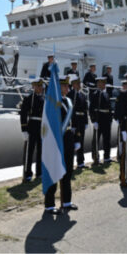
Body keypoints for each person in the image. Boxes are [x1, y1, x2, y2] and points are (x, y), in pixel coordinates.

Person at [44, 76, 80, 214]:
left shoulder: (68, 101)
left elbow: (75, 122)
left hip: (68, 139)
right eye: (64, 86)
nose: (67, 88)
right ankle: (49, 205)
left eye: (67, 86)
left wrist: (76, 139)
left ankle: (66, 202)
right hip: (56, 141)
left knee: (67, 172)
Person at [20, 78, 45, 182]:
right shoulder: (29, 99)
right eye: (37, 86)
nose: (39, 88)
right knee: (29, 152)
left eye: (40, 86)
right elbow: (23, 114)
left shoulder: (45, 99)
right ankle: (28, 173)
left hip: (42, 127)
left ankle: (39, 172)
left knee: (41, 151)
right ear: (33, 87)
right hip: (32, 126)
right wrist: (24, 129)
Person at [89, 77, 113, 163]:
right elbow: (91, 109)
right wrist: (94, 120)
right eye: (99, 83)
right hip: (99, 119)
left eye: (102, 83)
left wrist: (110, 119)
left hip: (106, 119)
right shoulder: (95, 94)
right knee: (96, 139)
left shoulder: (106, 94)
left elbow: (110, 108)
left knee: (107, 139)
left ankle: (107, 156)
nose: (101, 85)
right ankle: (95, 157)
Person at [67, 75, 88, 168]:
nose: (79, 85)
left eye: (79, 83)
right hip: (74, 120)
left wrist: (86, 121)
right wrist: (72, 122)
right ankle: (69, 162)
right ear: (73, 84)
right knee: (71, 142)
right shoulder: (70, 94)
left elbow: (85, 110)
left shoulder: (82, 95)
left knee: (81, 141)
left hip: (81, 120)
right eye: (78, 83)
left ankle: (80, 161)